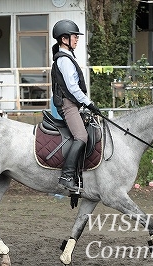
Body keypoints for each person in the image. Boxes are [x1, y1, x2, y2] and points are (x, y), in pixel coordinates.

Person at [51, 19, 101, 192]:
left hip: (74, 103)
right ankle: (66, 176)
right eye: (75, 37)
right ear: (64, 39)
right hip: (68, 105)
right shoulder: (64, 60)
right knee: (81, 136)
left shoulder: (68, 56)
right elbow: (72, 87)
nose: (77, 39)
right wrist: (89, 103)